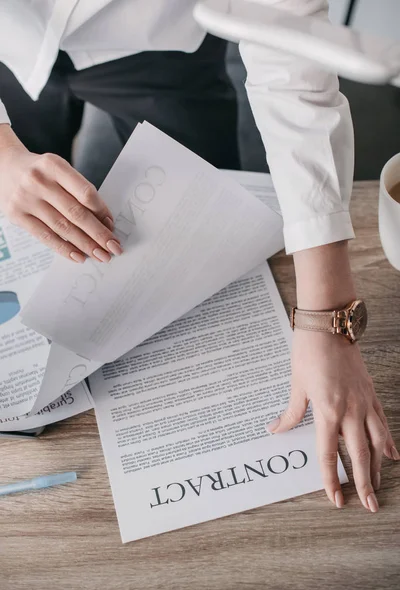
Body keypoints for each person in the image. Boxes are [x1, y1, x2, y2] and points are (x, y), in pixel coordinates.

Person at [0, 0, 397, 512]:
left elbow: (292, 72)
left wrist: (328, 318)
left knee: (205, 210)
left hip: (157, 42)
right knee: (26, 214)